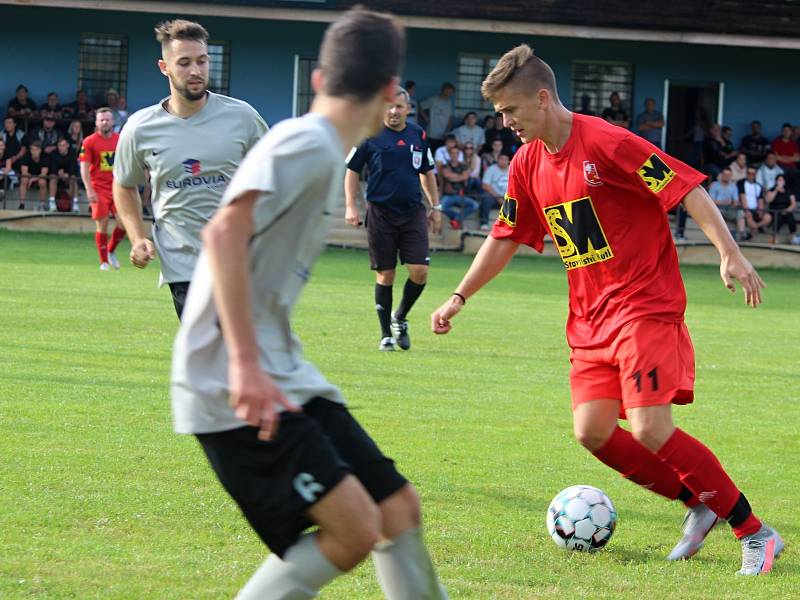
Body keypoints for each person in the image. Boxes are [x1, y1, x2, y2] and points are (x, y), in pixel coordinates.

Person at [431, 44, 782, 576]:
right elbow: (505, 235)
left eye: (511, 111)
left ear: (543, 98)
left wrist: (729, 253)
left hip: (643, 304)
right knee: (592, 430)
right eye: (501, 113)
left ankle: (754, 532)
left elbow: (685, 190)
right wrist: (459, 296)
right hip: (589, 318)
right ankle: (698, 504)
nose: (504, 124)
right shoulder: (527, 163)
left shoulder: (608, 141)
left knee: (649, 428)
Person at [171, 9, 448, 599]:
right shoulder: (306, 142)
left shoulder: (320, 146)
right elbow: (223, 233)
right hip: (229, 377)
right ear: (390, 93)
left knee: (397, 508)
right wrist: (244, 363)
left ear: (321, 78)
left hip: (284, 370)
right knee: (352, 530)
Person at [113, 19, 268, 318]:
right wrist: (137, 237)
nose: (195, 71)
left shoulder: (243, 117)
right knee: (216, 348)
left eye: (202, 61)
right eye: (184, 63)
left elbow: (273, 172)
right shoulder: (140, 128)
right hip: (181, 260)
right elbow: (124, 184)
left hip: (240, 254)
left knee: (229, 354)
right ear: (164, 67)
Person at [345, 87, 441, 351]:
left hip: (412, 212)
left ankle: (399, 317)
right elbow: (352, 171)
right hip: (380, 213)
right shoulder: (369, 132)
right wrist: (350, 206)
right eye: (388, 106)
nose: (393, 111)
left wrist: (436, 206)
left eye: (399, 107)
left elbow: (427, 172)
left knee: (420, 271)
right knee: (385, 274)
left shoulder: (418, 134)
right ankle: (385, 334)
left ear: (408, 109)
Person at [80, 107, 126, 269]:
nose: (105, 122)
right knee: (103, 222)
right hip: (98, 188)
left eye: (107, 119)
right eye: (102, 119)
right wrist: (89, 190)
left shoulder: (120, 139)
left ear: (113, 121)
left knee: (124, 224)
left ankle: (111, 251)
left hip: (118, 188)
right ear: (97, 122)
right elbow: (84, 168)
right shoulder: (89, 142)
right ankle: (104, 262)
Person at [439, 145, 478, 230]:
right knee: (441, 207)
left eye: (456, 153)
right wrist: (460, 176)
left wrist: (453, 177)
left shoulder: (463, 165)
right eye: (452, 153)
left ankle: (456, 219)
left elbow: (465, 177)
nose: (454, 155)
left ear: (459, 154)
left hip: (460, 195)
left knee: (475, 205)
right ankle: (458, 218)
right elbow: (446, 175)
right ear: (449, 154)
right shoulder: (445, 165)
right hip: (448, 195)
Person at [708, 167, 745, 238]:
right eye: (725, 174)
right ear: (721, 175)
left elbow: (736, 201)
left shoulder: (733, 186)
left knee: (740, 212)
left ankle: (742, 234)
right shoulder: (714, 185)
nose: (726, 176)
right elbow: (711, 201)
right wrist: (724, 202)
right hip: (717, 209)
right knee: (718, 212)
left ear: (731, 176)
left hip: (729, 208)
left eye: (728, 175)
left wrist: (735, 203)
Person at [419, 82, 455, 151]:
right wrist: (426, 118)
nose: (449, 93)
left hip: (443, 135)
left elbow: (449, 118)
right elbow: (420, 107)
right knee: (429, 155)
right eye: (448, 91)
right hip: (431, 133)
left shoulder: (449, 102)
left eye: (451, 92)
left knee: (439, 154)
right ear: (443, 90)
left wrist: (447, 130)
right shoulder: (433, 99)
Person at [479, 152, 510, 230]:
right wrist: (498, 197)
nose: (503, 161)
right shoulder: (491, 169)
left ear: (508, 161)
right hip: (493, 196)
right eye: (501, 159)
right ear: (497, 160)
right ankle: (484, 223)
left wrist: (507, 197)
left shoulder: (512, 169)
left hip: (508, 196)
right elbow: (485, 185)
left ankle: (512, 226)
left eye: (505, 159)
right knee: (485, 198)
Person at [765, 174, 799, 244]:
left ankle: (793, 236)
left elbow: (793, 203)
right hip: (775, 211)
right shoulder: (772, 189)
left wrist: (787, 210)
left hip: (785, 210)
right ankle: (774, 237)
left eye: (782, 180)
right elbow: (768, 200)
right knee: (778, 217)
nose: (780, 182)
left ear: (784, 182)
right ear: (776, 181)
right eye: (779, 180)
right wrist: (776, 191)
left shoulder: (788, 191)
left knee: (790, 217)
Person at [738, 166, 771, 239]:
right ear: (746, 174)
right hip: (746, 209)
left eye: (753, 174)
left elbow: (761, 200)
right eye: (749, 173)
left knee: (768, 217)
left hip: (756, 209)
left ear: (755, 175)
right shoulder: (741, 183)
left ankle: (757, 226)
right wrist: (746, 210)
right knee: (749, 218)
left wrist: (761, 211)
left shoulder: (758, 185)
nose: (751, 175)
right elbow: (742, 197)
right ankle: (754, 230)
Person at [48, 137, 79, 212]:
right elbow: (52, 166)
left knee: (73, 178)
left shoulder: (72, 153)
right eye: (60, 145)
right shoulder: (54, 153)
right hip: (57, 175)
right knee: (52, 178)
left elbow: (74, 166)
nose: (62, 147)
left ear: (67, 145)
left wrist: (67, 174)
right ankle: (52, 204)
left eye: (63, 145)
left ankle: (75, 204)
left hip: (68, 175)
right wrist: (58, 173)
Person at [18, 140, 49, 210]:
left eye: (36, 150)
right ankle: (21, 204)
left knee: (42, 181)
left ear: (40, 150)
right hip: (29, 177)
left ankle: (42, 205)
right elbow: (24, 172)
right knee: (24, 179)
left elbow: (44, 173)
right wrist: (30, 178)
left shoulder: (45, 157)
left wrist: (33, 179)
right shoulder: (26, 156)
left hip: (39, 177)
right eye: (32, 149)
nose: (34, 152)